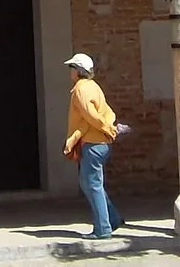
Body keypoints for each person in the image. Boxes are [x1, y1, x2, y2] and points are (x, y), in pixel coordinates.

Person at [62, 52, 127, 237]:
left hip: (93, 143)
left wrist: (108, 128)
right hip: (98, 142)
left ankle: (103, 228)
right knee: (91, 183)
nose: (70, 71)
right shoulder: (93, 87)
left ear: (78, 71)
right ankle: (112, 219)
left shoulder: (81, 89)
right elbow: (103, 113)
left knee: (92, 185)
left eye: (72, 68)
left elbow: (91, 116)